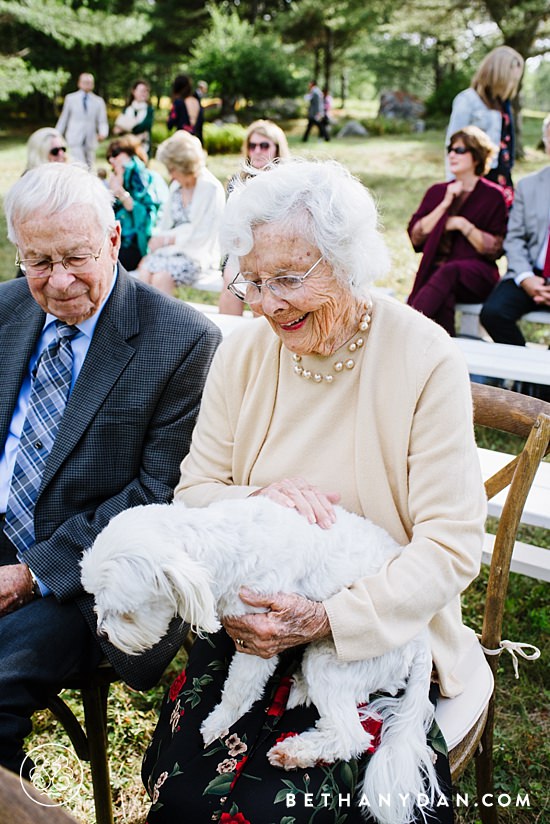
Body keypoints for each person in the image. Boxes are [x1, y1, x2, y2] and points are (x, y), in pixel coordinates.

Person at [141, 158, 486, 823]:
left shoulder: (426, 359)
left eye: (290, 280)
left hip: (375, 638)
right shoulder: (243, 353)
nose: (267, 304)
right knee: (184, 796)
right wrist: (258, 500)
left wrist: (328, 619)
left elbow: (450, 547)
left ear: (348, 264)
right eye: (254, 281)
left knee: (282, 812)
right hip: (257, 625)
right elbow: (196, 492)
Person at [0, 162, 221, 779]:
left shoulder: (180, 341)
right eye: (38, 262)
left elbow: (158, 495)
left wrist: (29, 574)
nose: (59, 280)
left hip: (88, 573)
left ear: (115, 242)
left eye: (76, 257)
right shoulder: (5, 309)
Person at [407, 125, 508, 336]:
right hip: (437, 274)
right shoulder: (438, 192)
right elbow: (417, 237)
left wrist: (462, 224)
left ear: (477, 156)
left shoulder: (493, 196)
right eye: (450, 150)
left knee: (448, 272)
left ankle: (408, 326)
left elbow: (494, 249)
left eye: (460, 150)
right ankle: (448, 356)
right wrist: (444, 205)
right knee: (444, 294)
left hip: (477, 275)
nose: (452, 154)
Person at [480, 115, 550, 400]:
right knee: (493, 313)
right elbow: (515, 237)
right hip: (529, 273)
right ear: (546, 140)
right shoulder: (530, 185)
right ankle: (533, 382)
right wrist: (525, 278)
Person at [137, 131, 225, 296]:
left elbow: (203, 236)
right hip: (170, 253)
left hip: (197, 257)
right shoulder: (176, 187)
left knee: (161, 278)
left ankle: (163, 321)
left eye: (173, 169)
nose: (170, 175)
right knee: (144, 272)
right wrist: (160, 243)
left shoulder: (211, 188)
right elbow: (164, 225)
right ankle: (143, 321)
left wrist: (167, 239)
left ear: (185, 166)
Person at [219, 119, 291, 315]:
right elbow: (230, 225)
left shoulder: (288, 182)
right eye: (252, 146)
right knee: (230, 284)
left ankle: (260, 339)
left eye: (264, 145)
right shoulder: (238, 181)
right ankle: (231, 340)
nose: (257, 150)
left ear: (276, 149)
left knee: (261, 289)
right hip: (242, 250)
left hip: (276, 253)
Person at [445, 46, 524, 207]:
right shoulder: (467, 100)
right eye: (511, 79)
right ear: (499, 74)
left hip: (501, 175)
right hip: (477, 175)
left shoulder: (503, 103)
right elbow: (452, 144)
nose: (513, 84)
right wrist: (452, 181)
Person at [106, 135, 166, 271]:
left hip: (139, 243)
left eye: (115, 154)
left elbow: (146, 217)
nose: (111, 159)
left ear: (130, 153)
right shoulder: (116, 179)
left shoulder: (148, 178)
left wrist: (121, 193)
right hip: (119, 241)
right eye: (109, 156)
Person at [55, 72, 109, 169]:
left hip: (90, 139)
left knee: (90, 166)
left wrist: (103, 133)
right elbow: (64, 119)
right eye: (85, 82)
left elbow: (102, 121)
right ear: (79, 83)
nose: (87, 84)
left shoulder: (98, 101)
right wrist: (56, 135)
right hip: (75, 137)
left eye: (90, 82)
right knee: (78, 164)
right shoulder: (70, 98)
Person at [112, 79, 155, 157]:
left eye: (146, 91)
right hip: (126, 147)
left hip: (143, 147)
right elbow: (117, 130)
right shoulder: (128, 109)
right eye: (142, 91)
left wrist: (126, 127)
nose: (144, 94)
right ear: (134, 91)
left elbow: (145, 126)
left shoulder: (149, 110)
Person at [167, 74, 204, 144]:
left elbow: (170, 124)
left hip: (182, 142)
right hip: (197, 142)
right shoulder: (196, 101)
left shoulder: (178, 103)